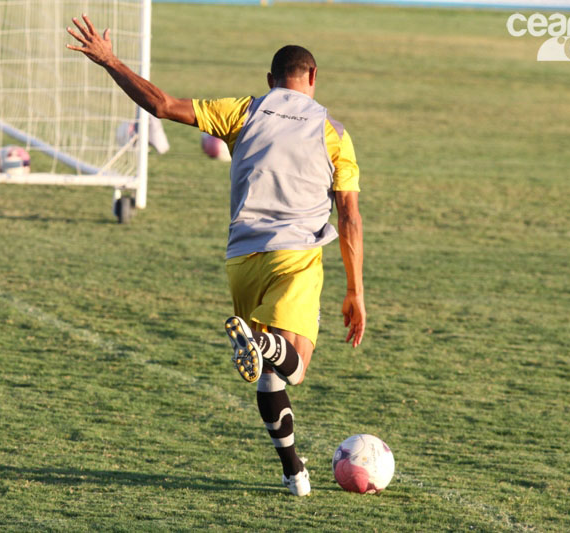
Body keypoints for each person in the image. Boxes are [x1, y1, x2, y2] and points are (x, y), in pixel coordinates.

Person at [67, 14, 365, 497]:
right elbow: (349, 216)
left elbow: (161, 105)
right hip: (296, 256)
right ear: (313, 79)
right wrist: (355, 290)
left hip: (241, 259)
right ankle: (264, 346)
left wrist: (109, 59)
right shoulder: (333, 132)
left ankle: (295, 473)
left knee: (268, 376)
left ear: (271, 81)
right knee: (293, 365)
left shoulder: (245, 110)